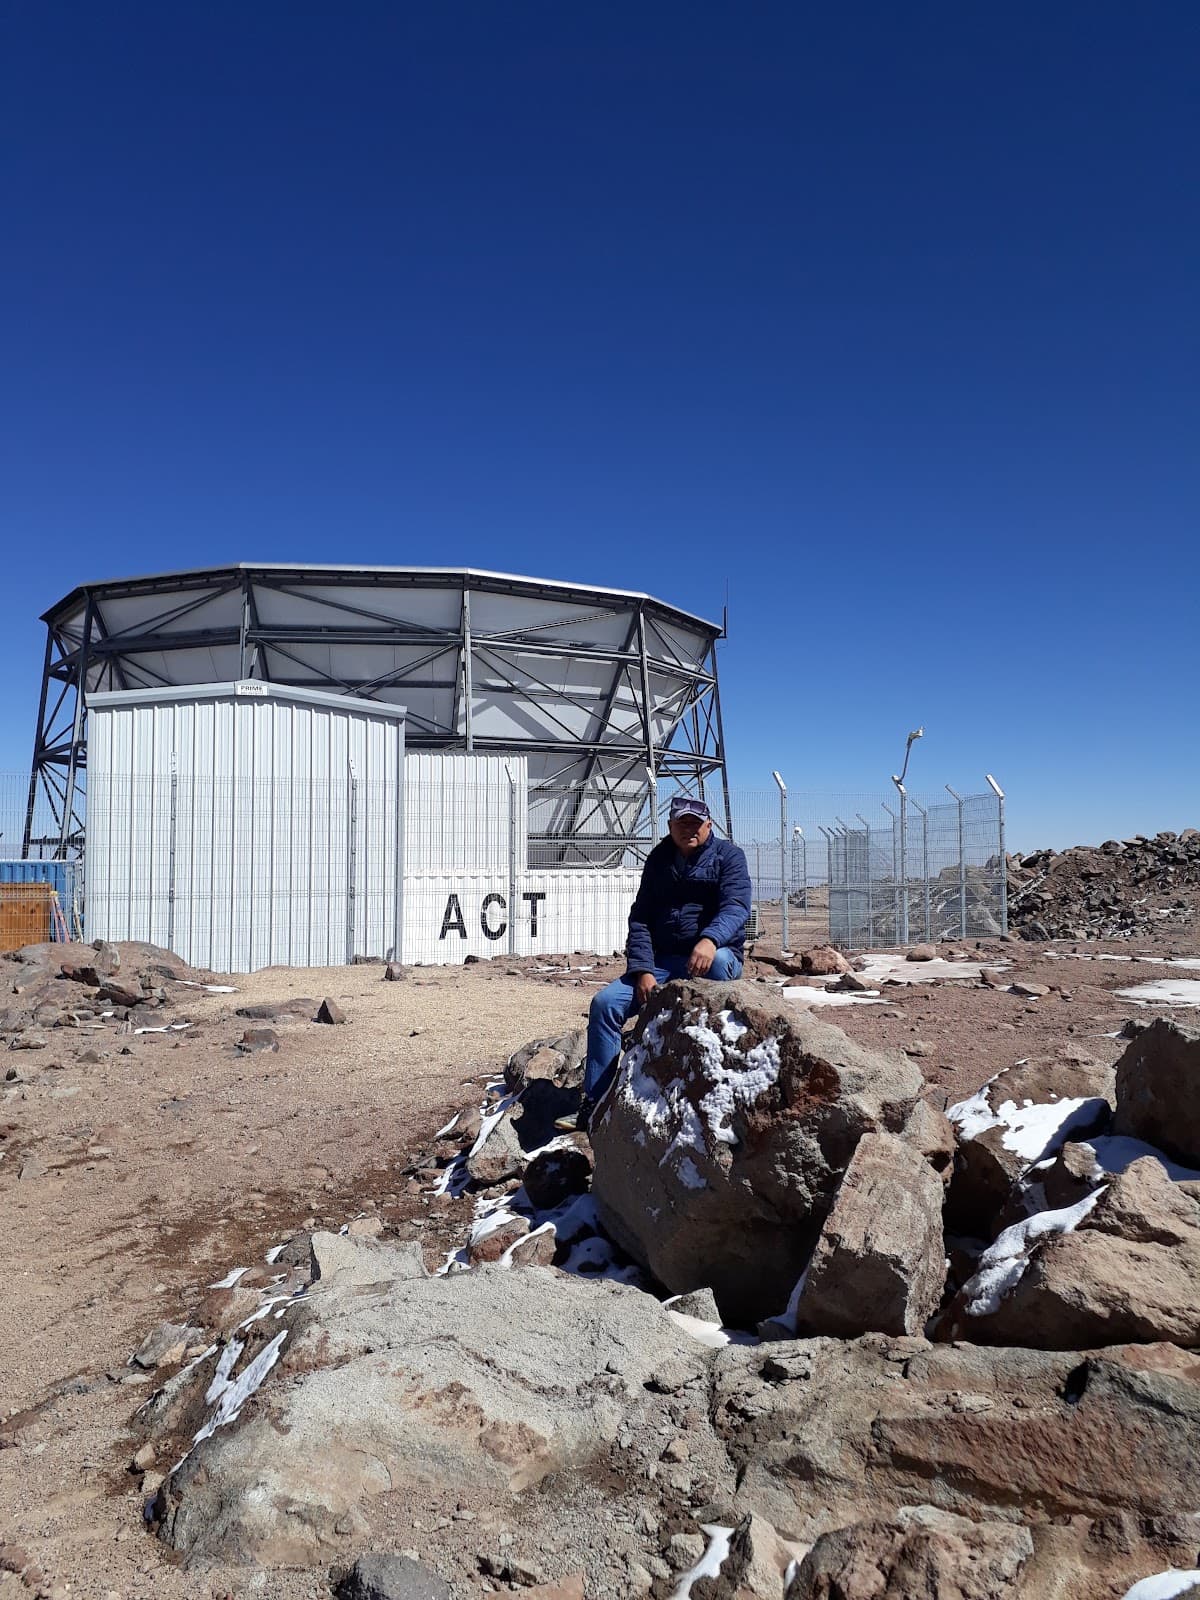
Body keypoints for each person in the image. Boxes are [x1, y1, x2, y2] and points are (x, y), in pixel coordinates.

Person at [560, 794, 751, 1131]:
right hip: (663, 962)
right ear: (670, 826)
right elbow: (641, 920)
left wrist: (710, 939)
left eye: (696, 822)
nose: (689, 828)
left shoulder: (729, 857)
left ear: (709, 825)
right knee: (605, 1004)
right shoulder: (659, 860)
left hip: (715, 955)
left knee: (719, 963)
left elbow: (736, 906)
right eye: (682, 822)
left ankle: (717, 1082)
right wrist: (643, 969)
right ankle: (596, 1101)